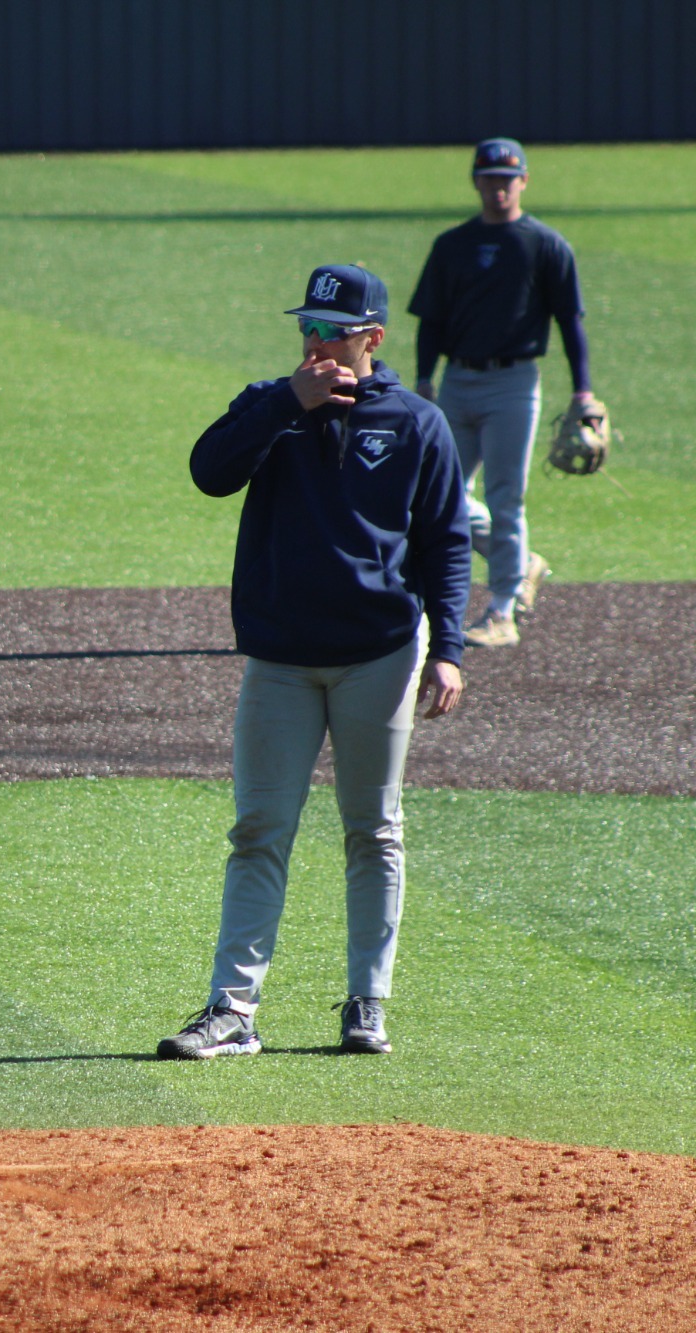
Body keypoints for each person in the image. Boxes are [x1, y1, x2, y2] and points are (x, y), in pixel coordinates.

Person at [160, 264, 471, 1062]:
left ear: (373, 336)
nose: (317, 342)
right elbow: (208, 471)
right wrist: (281, 406)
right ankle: (233, 1011)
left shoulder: (415, 422)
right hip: (281, 660)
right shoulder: (272, 405)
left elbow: (445, 543)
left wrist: (451, 651)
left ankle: (367, 1003)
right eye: (308, 327)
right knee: (260, 829)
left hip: (381, 656)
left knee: (374, 830)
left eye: (334, 330)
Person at [409, 137, 593, 649]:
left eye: (507, 178)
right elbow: (431, 318)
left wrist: (583, 392)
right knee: (438, 493)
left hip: (514, 382)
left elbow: (569, 322)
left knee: (505, 496)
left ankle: (502, 611)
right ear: (476, 181)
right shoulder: (452, 245)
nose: (498, 187)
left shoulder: (544, 244)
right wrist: (424, 380)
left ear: (524, 181)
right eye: (489, 177)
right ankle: (519, 561)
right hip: (456, 379)